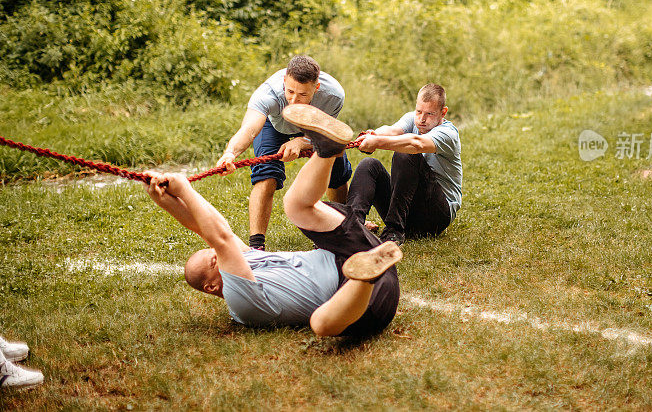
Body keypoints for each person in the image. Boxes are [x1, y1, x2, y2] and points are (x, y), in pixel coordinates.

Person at [145, 104, 401, 337]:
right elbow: (219, 237)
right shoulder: (240, 299)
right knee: (322, 324)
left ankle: (326, 150)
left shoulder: (247, 262)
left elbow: (204, 228)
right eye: (213, 259)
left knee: (294, 206)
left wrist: (164, 200)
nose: (218, 252)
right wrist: (185, 189)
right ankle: (364, 277)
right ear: (212, 287)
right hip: (359, 300)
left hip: (350, 251)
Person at [216, 55, 352, 251]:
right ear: (284, 82)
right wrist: (230, 153)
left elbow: (327, 132)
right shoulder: (267, 95)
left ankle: (342, 228)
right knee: (266, 176)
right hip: (274, 126)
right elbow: (250, 129)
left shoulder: (334, 95)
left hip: (314, 124)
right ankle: (256, 246)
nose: (294, 100)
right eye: (290, 91)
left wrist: (303, 141)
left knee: (335, 169)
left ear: (317, 88)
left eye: (303, 95)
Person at [350, 83, 462, 245]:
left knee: (407, 153)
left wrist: (377, 142)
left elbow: (416, 144)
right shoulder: (413, 119)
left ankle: (393, 230)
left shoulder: (448, 134)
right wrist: (372, 134)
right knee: (369, 165)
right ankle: (351, 228)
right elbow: (391, 130)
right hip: (408, 211)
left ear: (443, 112)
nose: (422, 119)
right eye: (419, 111)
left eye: (430, 114)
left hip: (435, 216)